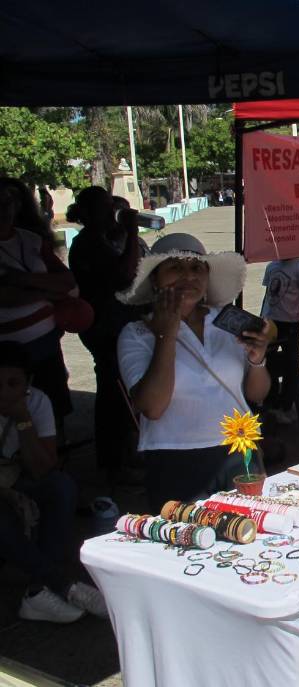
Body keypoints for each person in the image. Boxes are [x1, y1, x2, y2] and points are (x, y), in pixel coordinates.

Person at [117, 234, 273, 509]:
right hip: (175, 459)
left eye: (196, 267)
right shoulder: (138, 334)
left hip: (239, 450)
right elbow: (152, 407)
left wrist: (258, 359)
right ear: (155, 279)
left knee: (253, 534)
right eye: (175, 267)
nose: (188, 276)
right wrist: (167, 332)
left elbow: (257, 394)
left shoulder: (226, 322)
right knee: (188, 543)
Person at [0, 342, 108, 622]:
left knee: (61, 486)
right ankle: (61, 585)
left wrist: (22, 418)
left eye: (13, 383)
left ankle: (39, 591)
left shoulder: (36, 402)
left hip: (18, 478)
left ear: (28, 383)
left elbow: (43, 468)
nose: (4, 391)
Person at [66, 187, 143, 482]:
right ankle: (114, 459)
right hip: (105, 327)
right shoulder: (88, 244)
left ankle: (119, 454)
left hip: (113, 323)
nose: (110, 212)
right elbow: (124, 275)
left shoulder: (100, 240)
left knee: (118, 390)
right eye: (104, 207)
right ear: (88, 212)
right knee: (114, 393)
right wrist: (131, 233)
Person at [0, 178, 75, 424]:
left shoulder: (30, 240)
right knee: (15, 410)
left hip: (46, 343)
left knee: (54, 407)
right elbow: (5, 298)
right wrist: (46, 290)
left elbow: (66, 282)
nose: (4, 209)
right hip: (7, 351)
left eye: (8, 203)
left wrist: (22, 279)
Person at [261, 257, 299, 424]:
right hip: (270, 321)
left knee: (292, 363)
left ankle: (288, 402)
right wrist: (262, 316)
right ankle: (272, 401)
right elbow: (267, 294)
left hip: (290, 322)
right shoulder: (271, 265)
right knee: (267, 362)